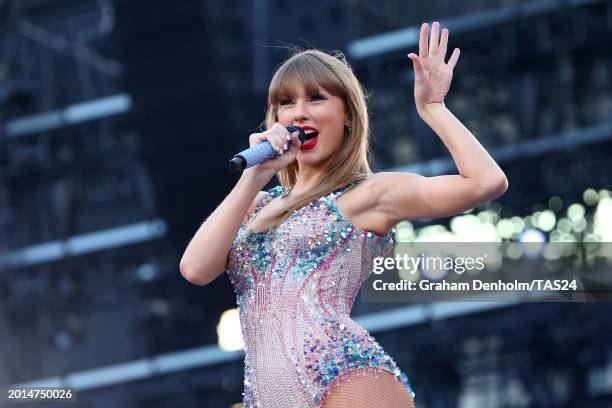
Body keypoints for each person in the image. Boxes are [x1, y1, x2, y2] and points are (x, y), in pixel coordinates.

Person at [180, 22, 508, 408]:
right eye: (286, 103)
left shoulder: (367, 195)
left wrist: (433, 108)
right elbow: (195, 269)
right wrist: (254, 177)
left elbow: (486, 182)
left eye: (316, 98)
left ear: (348, 115)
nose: (299, 113)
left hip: (345, 378)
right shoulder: (257, 203)